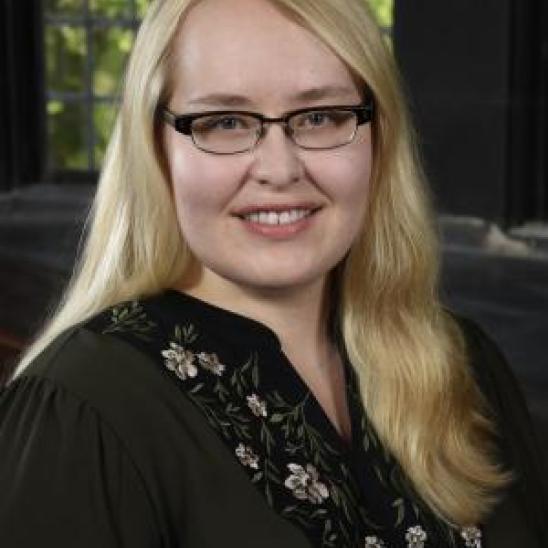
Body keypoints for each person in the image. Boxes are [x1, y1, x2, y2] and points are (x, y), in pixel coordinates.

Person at [0, 0, 546, 546]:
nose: (280, 170)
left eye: (320, 117)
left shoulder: (463, 364)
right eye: (226, 122)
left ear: (379, 137)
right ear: (156, 150)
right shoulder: (82, 411)